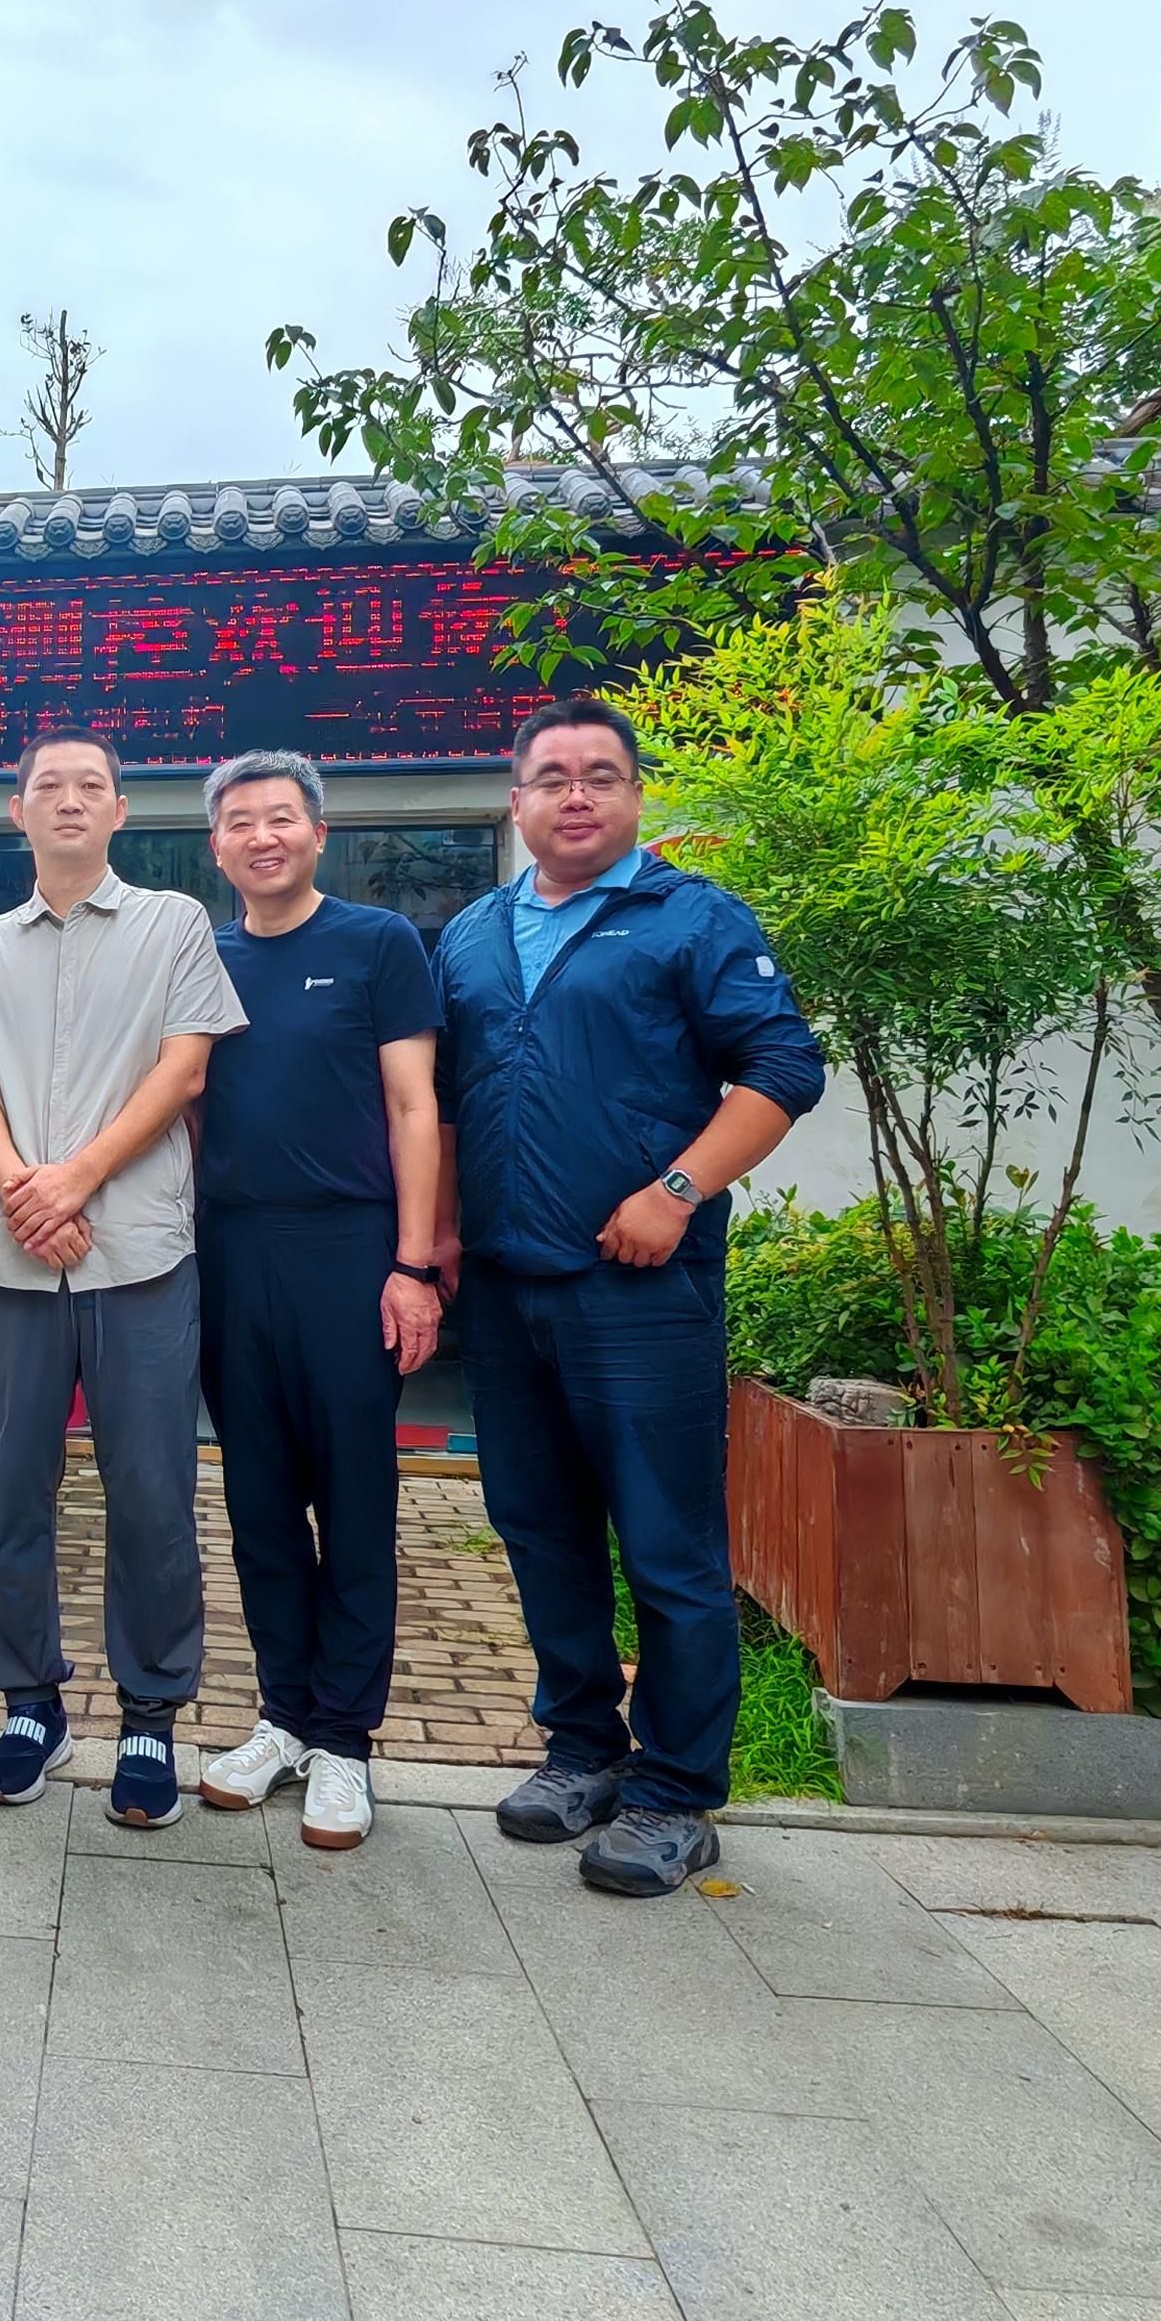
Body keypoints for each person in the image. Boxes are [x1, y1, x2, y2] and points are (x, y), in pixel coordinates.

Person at [434, 694, 826, 1897]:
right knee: (539, 1530)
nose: (575, 795)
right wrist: (439, 1235)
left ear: (635, 795)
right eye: (551, 777)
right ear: (516, 801)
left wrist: (677, 1188)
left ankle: (675, 1790)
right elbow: (444, 1103)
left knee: (664, 1541)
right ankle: (582, 1749)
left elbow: (782, 1065)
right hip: (506, 1285)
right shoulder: (472, 934)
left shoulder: (691, 917)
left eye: (599, 775)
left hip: (640, 1289)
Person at [0, 729, 247, 1827]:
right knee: (10, 1492)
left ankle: (151, 1714)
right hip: (8, 1256)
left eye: (91, 786)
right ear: (17, 811)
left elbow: (185, 1067)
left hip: (138, 1254)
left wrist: (74, 1181)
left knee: (153, 1494)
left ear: (120, 810)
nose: (69, 800)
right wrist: (24, 1191)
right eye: (48, 786)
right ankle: (30, 1704)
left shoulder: (174, 925)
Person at [190, 752, 445, 1853]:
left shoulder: (378, 944)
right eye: (241, 821)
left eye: (282, 818)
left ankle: (346, 1739)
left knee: (353, 1499)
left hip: (350, 1250)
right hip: (229, 1251)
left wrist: (415, 1264)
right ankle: (284, 1717)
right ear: (216, 845)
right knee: (256, 1504)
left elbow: (413, 1107)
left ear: (318, 833)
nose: (263, 836)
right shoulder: (203, 957)